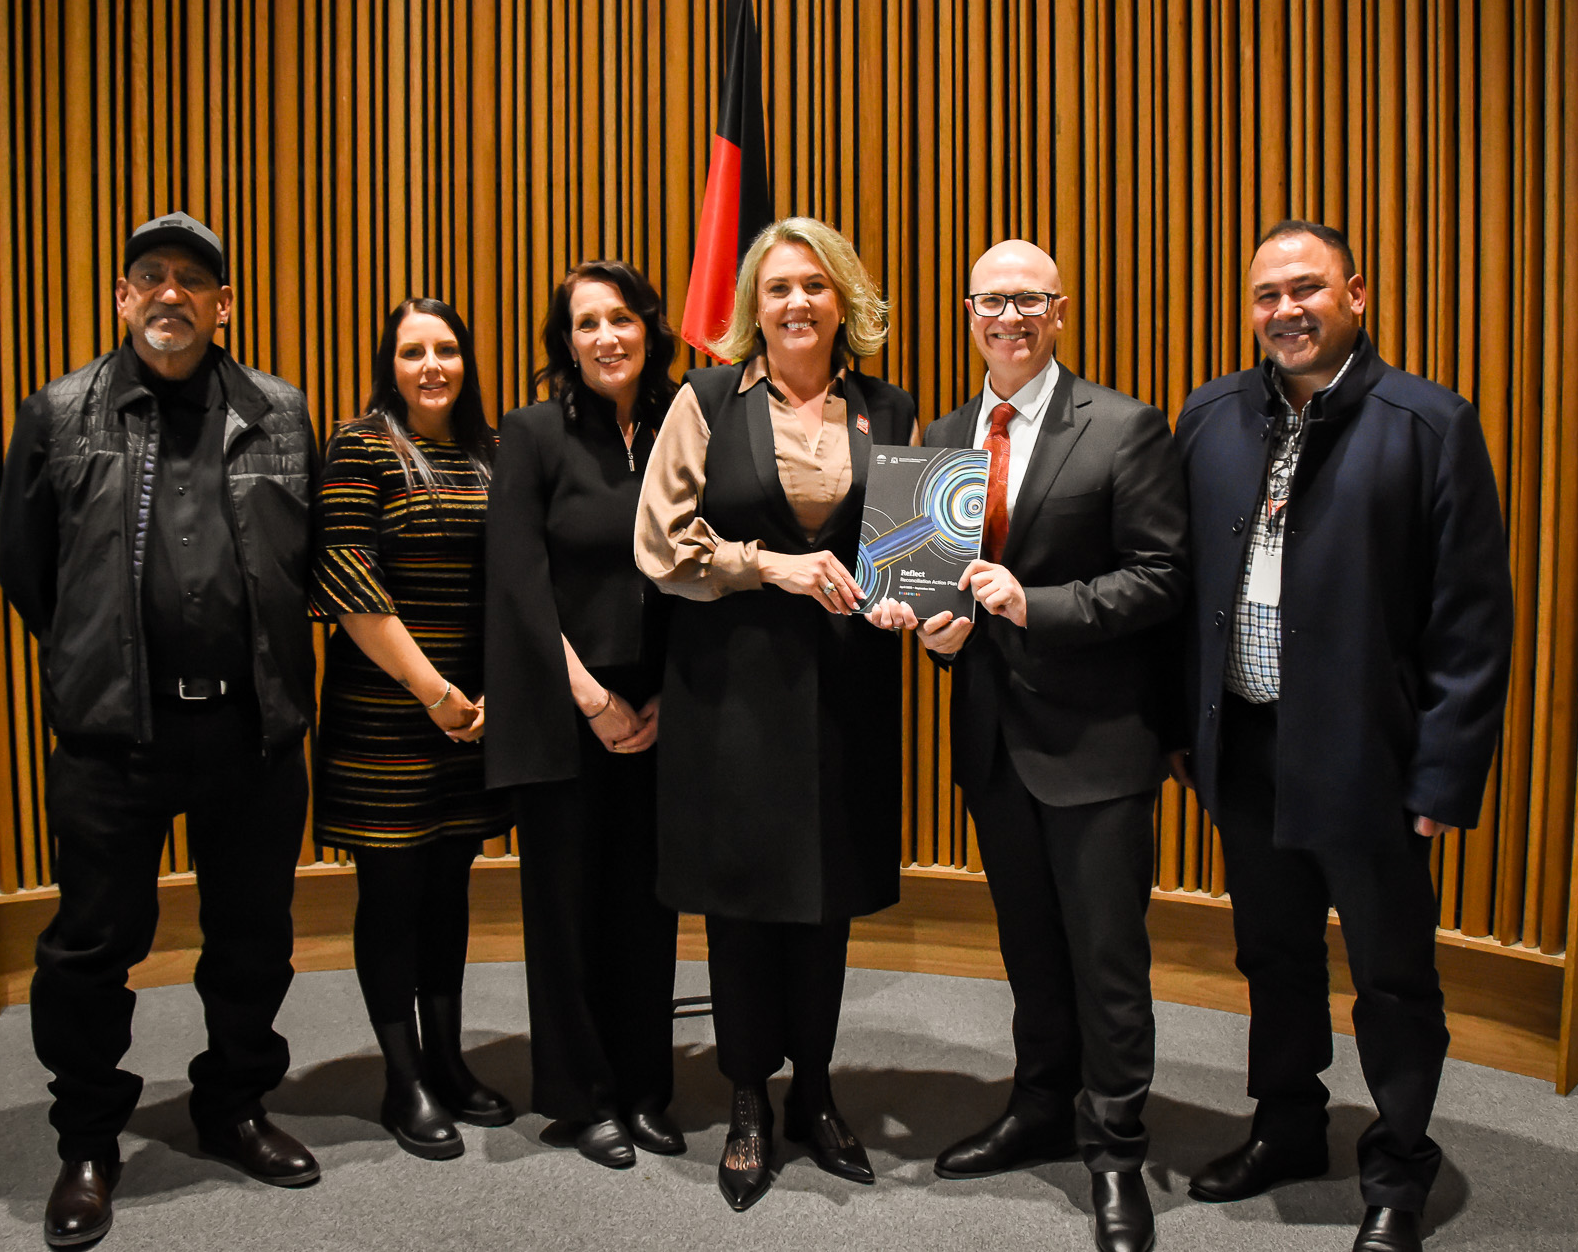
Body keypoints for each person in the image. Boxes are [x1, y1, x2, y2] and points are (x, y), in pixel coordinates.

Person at [1169, 222, 1514, 1252]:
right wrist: (1182, 732)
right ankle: (1284, 1128)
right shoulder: (1209, 415)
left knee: (1391, 976)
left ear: (1354, 294)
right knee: (1270, 957)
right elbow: (1177, 583)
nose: (1284, 309)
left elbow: (1469, 619)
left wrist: (1440, 776)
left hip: (1369, 761)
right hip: (1249, 753)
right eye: (1265, 293)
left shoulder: (1427, 422)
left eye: (1304, 288)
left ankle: (1398, 1168)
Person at [0, 212, 321, 1247]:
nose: (171, 293)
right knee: (90, 948)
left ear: (224, 305)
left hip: (250, 731)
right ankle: (89, 1140)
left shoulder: (278, 412)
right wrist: (109, 659)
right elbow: (28, 573)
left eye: (194, 280)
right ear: (124, 298)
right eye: (151, 276)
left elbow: (303, 556)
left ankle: (233, 1106)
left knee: (252, 939)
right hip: (113, 740)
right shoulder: (59, 413)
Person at [871, 239, 1188, 1252]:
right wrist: (933, 629)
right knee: (1029, 952)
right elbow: (932, 593)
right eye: (987, 301)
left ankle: (1115, 1151)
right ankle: (1039, 1106)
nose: (1005, 317)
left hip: (1096, 747)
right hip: (994, 743)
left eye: (1025, 300)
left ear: (1057, 311)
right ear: (967, 313)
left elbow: (1159, 579)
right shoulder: (948, 433)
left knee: (1105, 960)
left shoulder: (1125, 425)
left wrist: (1032, 602)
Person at [633, 216, 917, 1212]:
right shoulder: (705, 398)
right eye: (775, 286)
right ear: (752, 304)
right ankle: (749, 1100)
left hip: (844, 693)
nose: (794, 302)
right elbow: (659, 544)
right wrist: (769, 566)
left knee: (825, 902)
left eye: (813, 285)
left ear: (844, 298)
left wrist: (904, 593)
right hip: (731, 695)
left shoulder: (888, 407)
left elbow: (904, 547)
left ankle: (818, 1094)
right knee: (743, 900)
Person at [485, 261, 683, 1170]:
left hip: (664, 707)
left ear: (650, 327)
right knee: (566, 908)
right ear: (566, 341)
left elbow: (700, 559)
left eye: (621, 318)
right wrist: (594, 699)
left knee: (646, 906)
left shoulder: (687, 422)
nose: (606, 336)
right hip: (565, 709)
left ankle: (645, 1087)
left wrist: (661, 698)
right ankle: (580, 1093)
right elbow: (519, 581)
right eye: (585, 323)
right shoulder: (531, 434)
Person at [309, 297, 515, 1161]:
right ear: (388, 364)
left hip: (471, 719)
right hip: (388, 716)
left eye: (447, 349)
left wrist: (495, 695)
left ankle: (448, 1060)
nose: (432, 365)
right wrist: (437, 693)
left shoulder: (490, 451)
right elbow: (347, 579)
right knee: (391, 897)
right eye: (412, 351)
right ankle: (404, 1078)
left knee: (449, 891)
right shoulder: (360, 444)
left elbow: (516, 579)